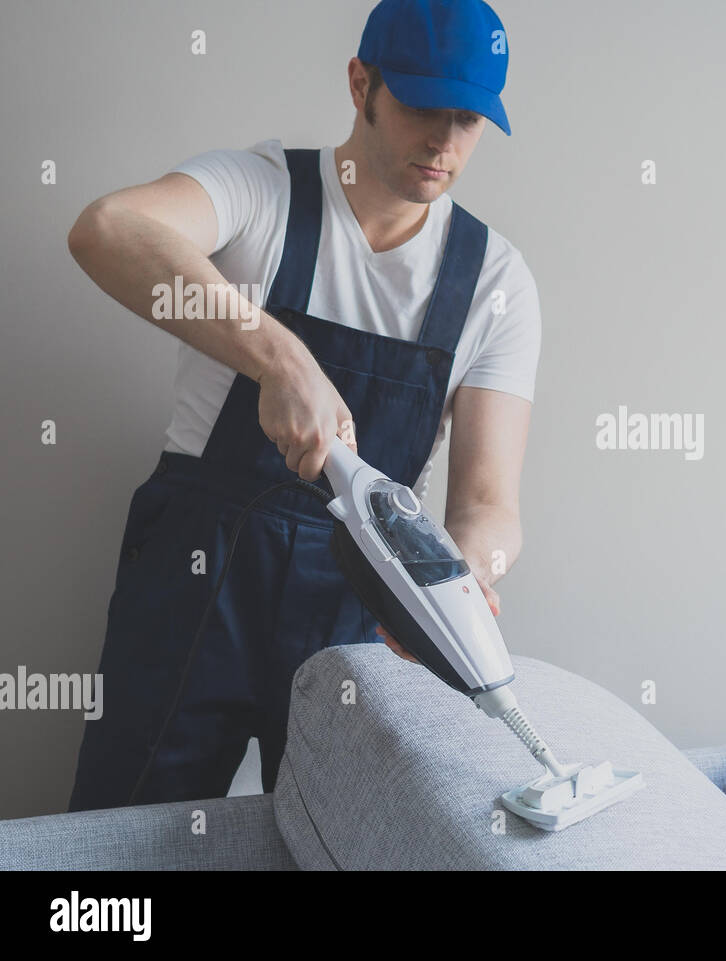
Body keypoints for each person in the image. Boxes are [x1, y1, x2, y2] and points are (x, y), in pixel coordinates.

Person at [64, 0, 538, 810]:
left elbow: (490, 504)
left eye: (469, 118)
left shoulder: (495, 283)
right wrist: (279, 358)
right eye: (425, 105)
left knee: (336, 842)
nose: (445, 142)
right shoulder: (262, 192)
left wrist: (464, 576)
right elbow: (107, 228)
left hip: (360, 611)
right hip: (191, 582)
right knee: (126, 836)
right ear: (362, 84)